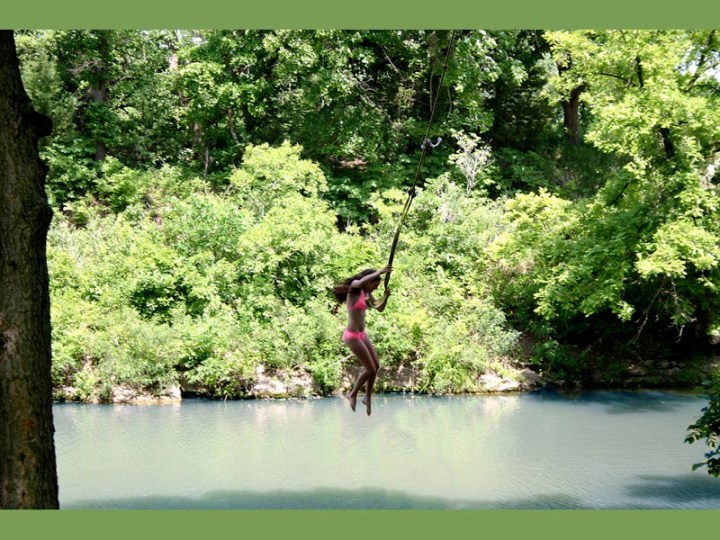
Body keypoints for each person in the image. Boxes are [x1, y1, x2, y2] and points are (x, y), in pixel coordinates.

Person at [332, 266, 392, 416]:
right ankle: (353, 394)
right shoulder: (355, 288)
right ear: (368, 281)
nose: (375, 288)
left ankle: (367, 397)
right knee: (370, 368)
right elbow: (359, 282)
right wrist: (379, 272)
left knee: (376, 366)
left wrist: (386, 297)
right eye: (374, 285)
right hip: (352, 335)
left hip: (361, 333)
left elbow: (380, 308)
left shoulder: (366, 293)